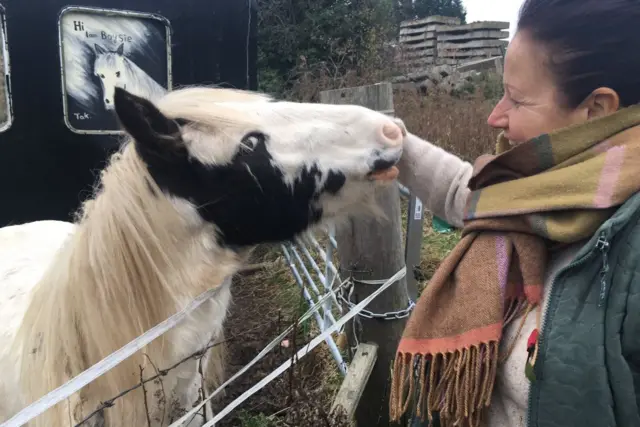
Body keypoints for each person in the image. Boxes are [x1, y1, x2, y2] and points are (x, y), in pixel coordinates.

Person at [388, 1, 640, 426]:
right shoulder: (537, 191)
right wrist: (390, 141)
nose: (494, 116)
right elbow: (470, 197)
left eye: (517, 100)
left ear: (596, 109)